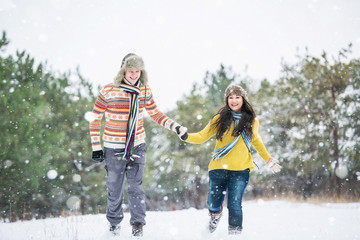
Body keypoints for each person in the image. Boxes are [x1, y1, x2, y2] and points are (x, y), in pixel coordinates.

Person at [89, 53, 183, 237]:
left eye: (137, 71)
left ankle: (138, 225)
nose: (134, 75)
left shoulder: (145, 90)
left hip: (137, 145)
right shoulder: (109, 90)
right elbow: (95, 118)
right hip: (113, 147)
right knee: (114, 189)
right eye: (130, 71)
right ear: (123, 70)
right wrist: (96, 147)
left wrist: (176, 126)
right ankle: (114, 224)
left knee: (135, 188)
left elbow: (155, 113)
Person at [175, 84, 281, 235]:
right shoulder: (219, 119)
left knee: (235, 204)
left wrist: (268, 159)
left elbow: (256, 141)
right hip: (218, 168)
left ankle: (235, 235)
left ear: (243, 99)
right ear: (226, 100)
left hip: (241, 170)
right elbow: (202, 136)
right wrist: (185, 136)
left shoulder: (251, 121)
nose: (234, 100)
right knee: (213, 202)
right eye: (231, 97)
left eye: (237, 97)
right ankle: (215, 215)